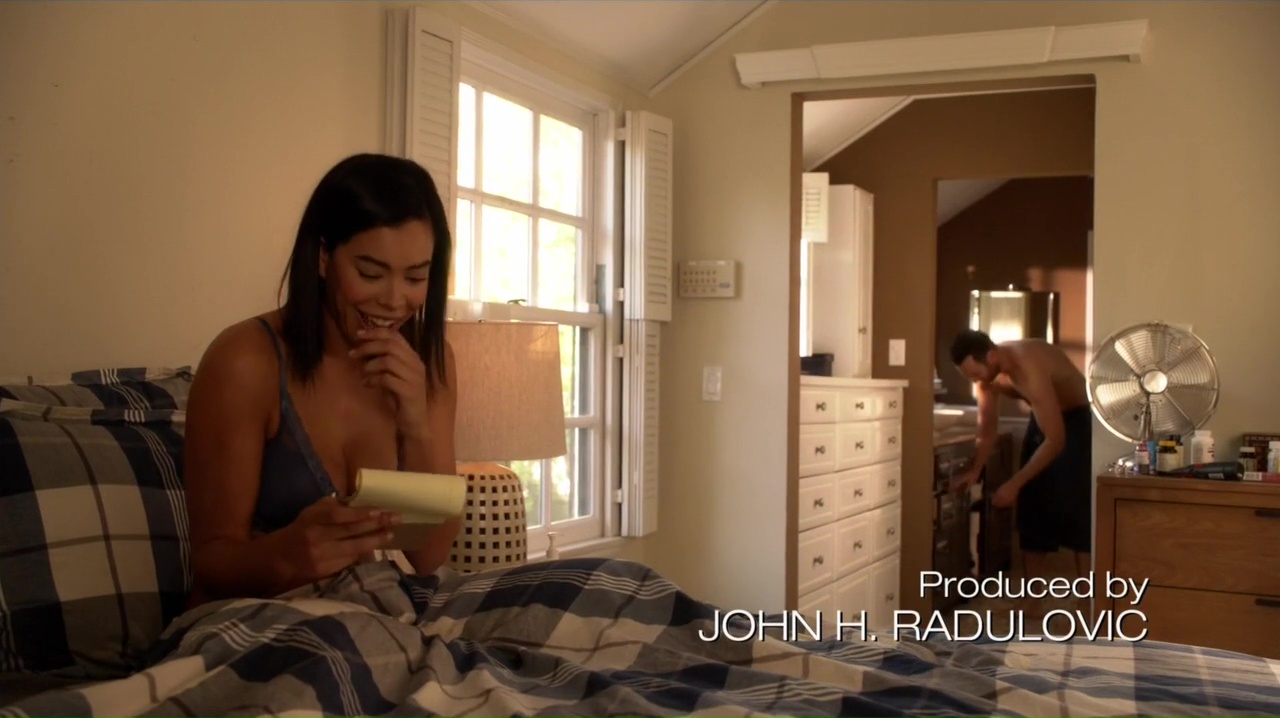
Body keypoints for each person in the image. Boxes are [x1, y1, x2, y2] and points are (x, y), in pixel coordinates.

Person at [183, 154, 460, 606]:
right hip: (260, 620)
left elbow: (429, 556)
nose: (395, 301)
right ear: (324, 257)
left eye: (416, 277)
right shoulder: (245, 361)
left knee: (586, 582)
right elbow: (211, 564)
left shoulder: (431, 361)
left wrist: (416, 421)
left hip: (372, 611)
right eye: (370, 273)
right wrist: (287, 555)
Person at [947, 329, 1092, 614]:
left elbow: (1056, 440)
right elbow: (987, 431)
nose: (976, 381)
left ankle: (1088, 602)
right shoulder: (987, 378)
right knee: (1032, 508)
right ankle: (1033, 598)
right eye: (970, 377)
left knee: (1077, 511)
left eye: (976, 374)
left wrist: (1013, 484)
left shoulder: (1028, 365)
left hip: (1076, 422)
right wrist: (976, 470)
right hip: (1044, 419)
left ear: (991, 356)